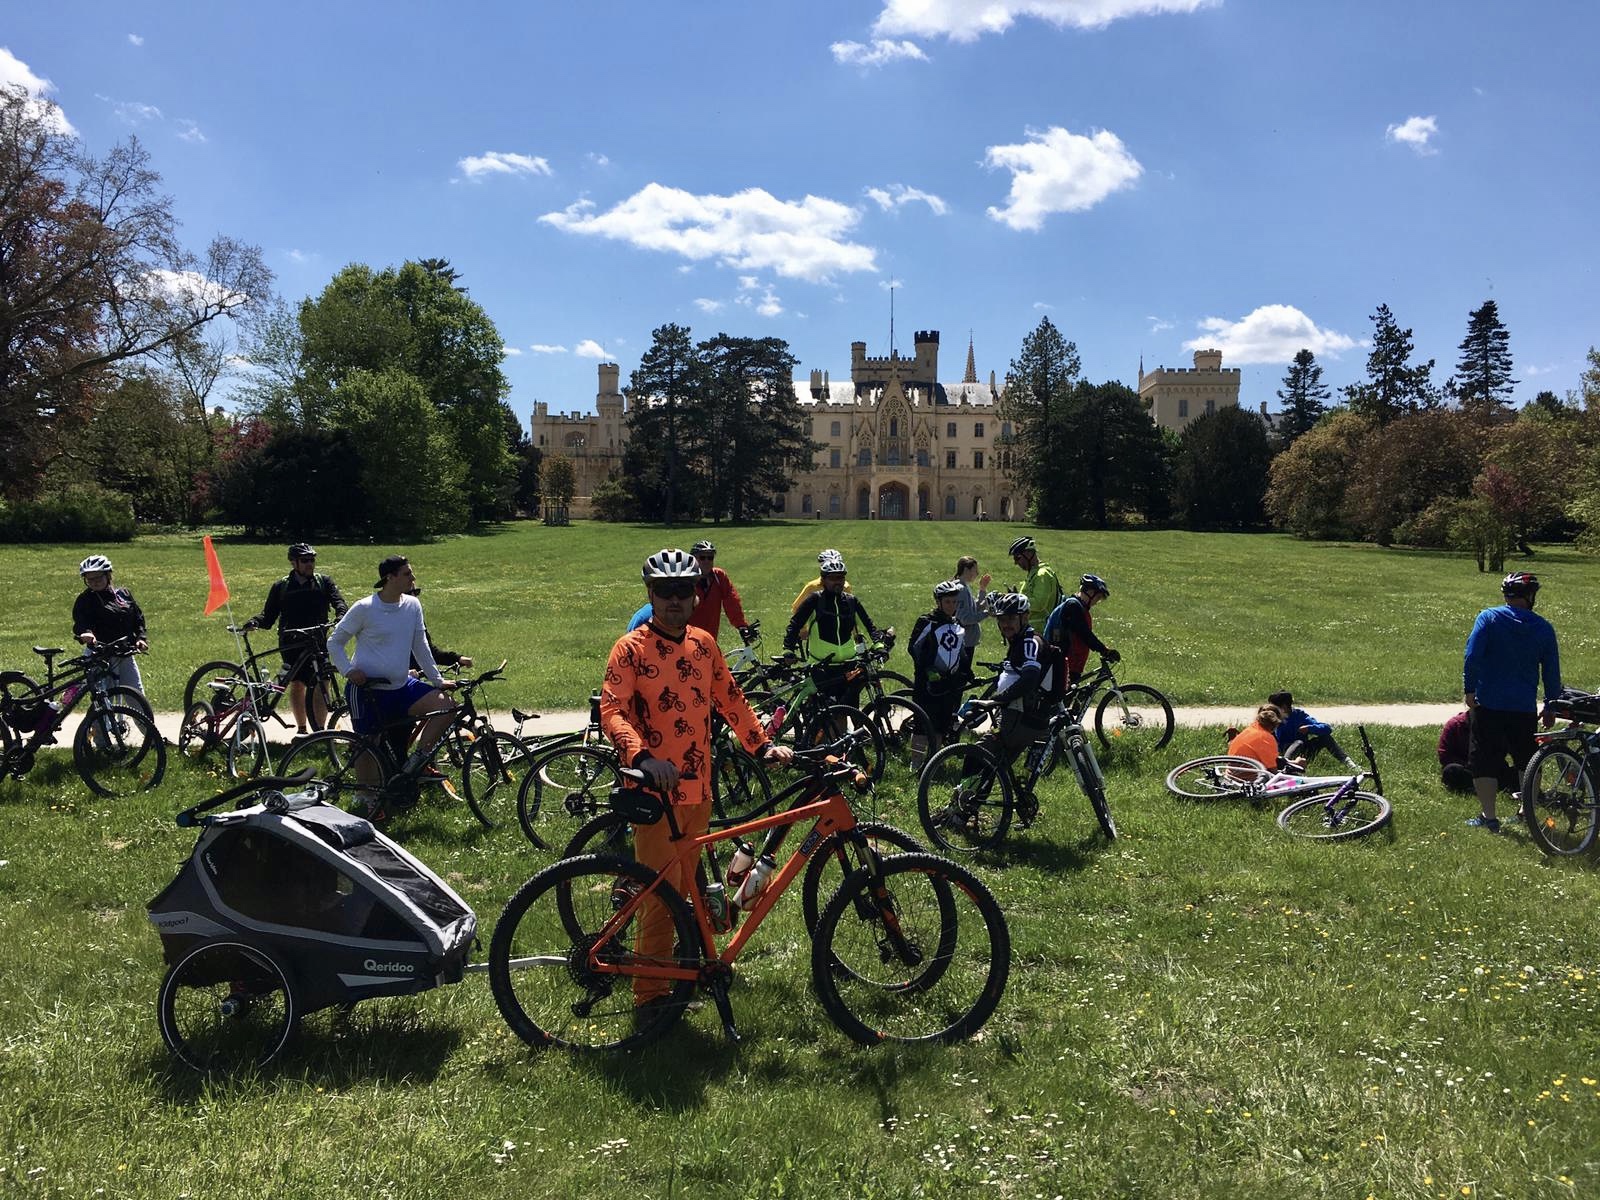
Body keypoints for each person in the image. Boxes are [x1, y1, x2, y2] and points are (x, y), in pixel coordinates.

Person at [600, 548, 793, 1007]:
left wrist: (761, 745)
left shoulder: (703, 644)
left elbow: (731, 700)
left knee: (682, 893)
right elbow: (611, 709)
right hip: (654, 791)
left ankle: (678, 975)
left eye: (682, 590)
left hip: (698, 788)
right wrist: (643, 757)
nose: (673, 600)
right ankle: (651, 997)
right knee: (660, 899)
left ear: (694, 594)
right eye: (663, 591)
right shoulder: (630, 649)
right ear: (650, 593)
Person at [326, 556, 457, 797]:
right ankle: (366, 798)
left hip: (401, 686)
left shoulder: (412, 605)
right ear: (390, 577)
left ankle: (417, 762)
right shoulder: (365, 608)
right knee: (368, 744)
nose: (413, 579)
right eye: (407, 574)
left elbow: (421, 646)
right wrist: (349, 670)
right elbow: (334, 643)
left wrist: (437, 680)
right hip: (367, 690)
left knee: (446, 706)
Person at [1461, 571, 1562, 833]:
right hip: (1523, 707)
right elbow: (1551, 671)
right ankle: (1525, 813)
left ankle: (1489, 817)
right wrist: (1550, 704)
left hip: (1489, 703)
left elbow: (1472, 656)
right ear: (1530, 597)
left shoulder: (1489, 618)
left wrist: (1469, 688)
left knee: (1484, 759)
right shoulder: (1543, 628)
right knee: (1527, 759)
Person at [242, 543, 348, 735]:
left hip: (317, 640)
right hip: (291, 642)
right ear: (294, 563)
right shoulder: (281, 586)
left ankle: (320, 731)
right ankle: (301, 729)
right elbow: (268, 616)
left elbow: (339, 601)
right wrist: (254, 622)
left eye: (312, 560)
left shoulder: (323, 581)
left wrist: (341, 614)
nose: (310, 564)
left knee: (322, 682)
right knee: (297, 683)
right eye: (305, 561)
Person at [784, 551, 884, 709]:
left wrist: (878, 643)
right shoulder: (815, 600)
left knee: (846, 711)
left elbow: (868, 624)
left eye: (841, 578)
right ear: (823, 580)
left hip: (848, 665)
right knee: (825, 716)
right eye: (832, 578)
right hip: (821, 666)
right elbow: (795, 624)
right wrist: (788, 649)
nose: (837, 582)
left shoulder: (851, 601)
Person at [72, 554, 148, 695]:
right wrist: (86, 633)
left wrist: (141, 638)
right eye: (90, 579)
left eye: (98, 577)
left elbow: (138, 618)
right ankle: (101, 718)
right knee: (104, 698)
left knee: (136, 695)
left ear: (108, 575)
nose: (94, 582)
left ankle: (142, 718)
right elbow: (81, 621)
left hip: (124, 653)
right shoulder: (85, 599)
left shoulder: (123, 594)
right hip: (99, 654)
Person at [910, 580, 968, 758]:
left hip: (948, 683)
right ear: (939, 602)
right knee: (922, 724)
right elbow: (914, 647)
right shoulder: (927, 622)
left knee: (941, 724)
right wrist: (927, 668)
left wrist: (965, 672)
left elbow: (960, 651)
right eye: (948, 602)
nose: (952, 606)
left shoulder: (957, 623)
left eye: (954, 602)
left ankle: (933, 760)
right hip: (927, 682)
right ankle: (917, 761)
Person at [1043, 573, 1119, 684]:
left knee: (1069, 697)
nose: (1097, 602)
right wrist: (1104, 650)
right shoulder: (1073, 606)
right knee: (1062, 698)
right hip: (1063, 662)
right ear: (1090, 593)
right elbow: (1084, 633)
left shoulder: (1077, 606)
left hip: (1069, 663)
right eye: (1098, 598)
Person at [1266, 691, 1359, 771]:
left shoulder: (1299, 715)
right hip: (1280, 754)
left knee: (1324, 738)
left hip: (1302, 754)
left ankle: (1350, 764)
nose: (1270, 711)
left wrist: (1309, 728)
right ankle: (1285, 766)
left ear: (1284, 707)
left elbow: (1326, 728)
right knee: (1297, 742)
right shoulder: (1272, 717)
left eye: (1273, 707)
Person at [686, 540, 756, 644]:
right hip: (687, 637)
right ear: (693, 559)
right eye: (702, 557)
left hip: (710, 638)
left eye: (710, 558)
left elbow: (732, 601)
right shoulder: (686, 580)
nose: (707, 561)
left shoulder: (719, 577)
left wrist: (741, 625)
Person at [953, 556, 990, 677]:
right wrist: (987, 613)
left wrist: (983, 589)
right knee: (961, 677)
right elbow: (965, 618)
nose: (977, 573)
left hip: (967, 641)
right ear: (966, 570)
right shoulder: (961, 589)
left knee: (963, 675)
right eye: (975, 570)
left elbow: (975, 608)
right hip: (964, 642)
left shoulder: (965, 586)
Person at [789, 548, 854, 616]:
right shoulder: (812, 587)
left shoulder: (845, 586)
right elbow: (797, 607)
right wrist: (803, 626)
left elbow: (850, 609)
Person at [1010, 536, 1064, 617]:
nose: (1016, 563)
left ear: (1029, 554)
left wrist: (1017, 600)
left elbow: (1039, 604)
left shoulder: (1042, 574)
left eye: (1018, 558)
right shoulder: (1033, 573)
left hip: (1040, 627)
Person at [1228, 704, 1284, 770]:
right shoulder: (1266, 738)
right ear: (1275, 724)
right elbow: (1272, 768)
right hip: (1250, 776)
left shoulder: (1249, 730)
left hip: (1230, 773)